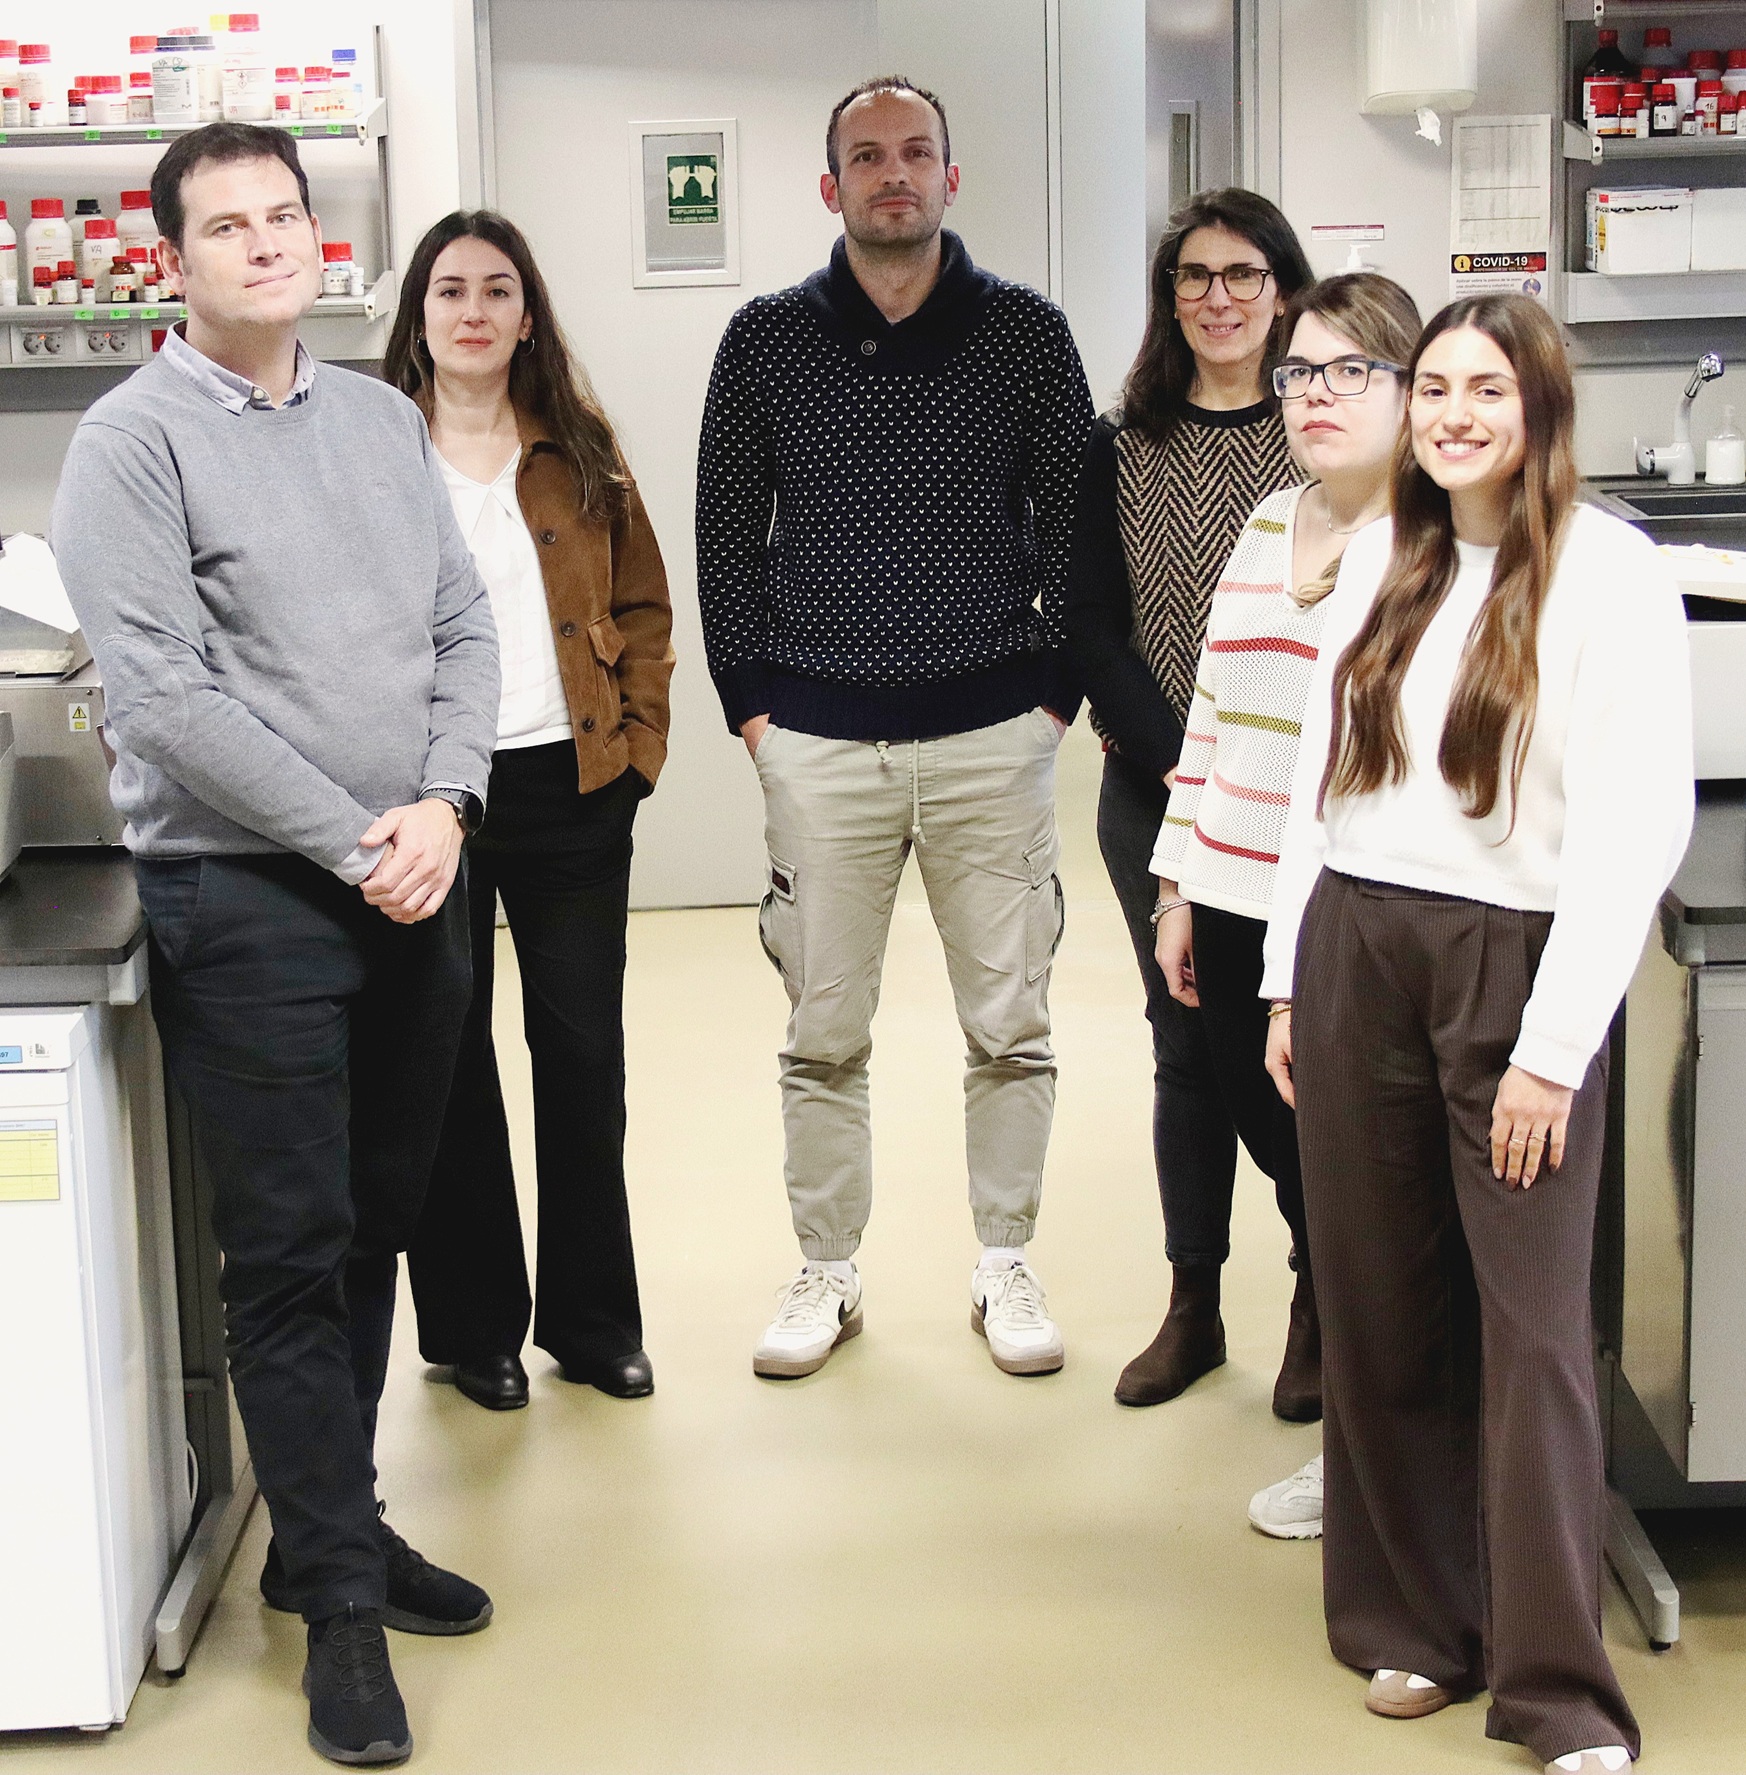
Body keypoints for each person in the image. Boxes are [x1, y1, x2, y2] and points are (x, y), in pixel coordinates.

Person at [51, 124, 501, 1768]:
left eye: (283, 216)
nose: (262, 243)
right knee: (294, 1252)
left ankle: (333, 1533)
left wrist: (445, 800)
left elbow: (461, 622)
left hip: (415, 881)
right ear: (174, 259)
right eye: (226, 225)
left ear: (318, 236)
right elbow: (163, 702)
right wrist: (358, 836)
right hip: (249, 904)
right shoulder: (131, 444)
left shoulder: (379, 418)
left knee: (375, 1223)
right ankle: (341, 1623)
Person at [1261, 294, 1692, 1774]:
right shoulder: (1387, 548)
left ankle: (1554, 1681)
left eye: (1482, 389)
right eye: (1431, 384)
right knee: (1380, 1301)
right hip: (1357, 946)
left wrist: (1553, 1046)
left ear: (1538, 407)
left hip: (1515, 966)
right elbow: (1324, 784)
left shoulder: (1610, 577)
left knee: (1530, 1332)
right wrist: (1279, 978)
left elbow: (1639, 823)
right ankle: (1416, 1621)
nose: (1449, 413)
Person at [696, 76, 1094, 1380]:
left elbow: (1077, 529)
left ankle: (1002, 1261)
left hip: (993, 726)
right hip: (818, 736)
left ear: (948, 176)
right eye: (864, 157)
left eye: (913, 152)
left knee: (1009, 1020)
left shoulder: (1027, 336)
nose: (891, 175)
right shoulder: (762, 341)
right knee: (821, 1030)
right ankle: (825, 1270)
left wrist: (1053, 697)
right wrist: (752, 708)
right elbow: (723, 538)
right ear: (830, 188)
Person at [387, 212, 675, 1413]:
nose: (472, 310)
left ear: (526, 315)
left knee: (581, 1058)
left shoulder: (578, 449)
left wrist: (639, 748)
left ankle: (595, 1323)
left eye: (497, 290)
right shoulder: (368, 449)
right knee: (449, 1065)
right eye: (450, 289)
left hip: (566, 786)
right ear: (418, 315)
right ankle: (474, 1331)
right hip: (426, 799)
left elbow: (647, 604)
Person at [1149, 274, 1419, 1519]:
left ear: (1411, 390)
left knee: (1366, 1186)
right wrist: (1176, 882)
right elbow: (1210, 712)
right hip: (1231, 886)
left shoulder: (1429, 548)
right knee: (1294, 1162)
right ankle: (1362, 1407)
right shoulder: (1269, 523)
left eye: (1351, 371)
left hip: (1344, 910)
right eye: (1302, 372)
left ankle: (1375, 1457)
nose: (1317, 395)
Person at [1063, 188, 1313, 1408]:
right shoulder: (1119, 445)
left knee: (1295, 1045)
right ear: (1172, 300)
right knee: (1187, 1042)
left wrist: (1243, 768)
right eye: (1196, 277)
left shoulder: (1322, 436)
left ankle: (1321, 1290)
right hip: (1154, 792)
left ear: (1281, 290)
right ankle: (1194, 1300)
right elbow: (1091, 627)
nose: (1220, 297)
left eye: (1244, 274)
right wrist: (1180, 759)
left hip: (1303, 806)